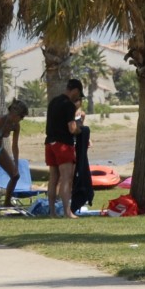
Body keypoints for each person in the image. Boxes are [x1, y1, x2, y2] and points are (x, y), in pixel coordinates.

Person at [44, 80, 84, 217]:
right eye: (77, 94)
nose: (77, 98)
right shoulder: (68, 105)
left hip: (50, 143)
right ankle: (68, 212)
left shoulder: (53, 102)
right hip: (63, 144)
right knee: (66, 178)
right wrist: (80, 129)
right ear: (75, 90)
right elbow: (72, 129)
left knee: (53, 177)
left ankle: (52, 212)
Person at [71, 96, 94, 213]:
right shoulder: (68, 113)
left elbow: (80, 126)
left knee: (80, 164)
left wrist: (87, 139)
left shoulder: (82, 114)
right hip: (71, 142)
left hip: (79, 142)